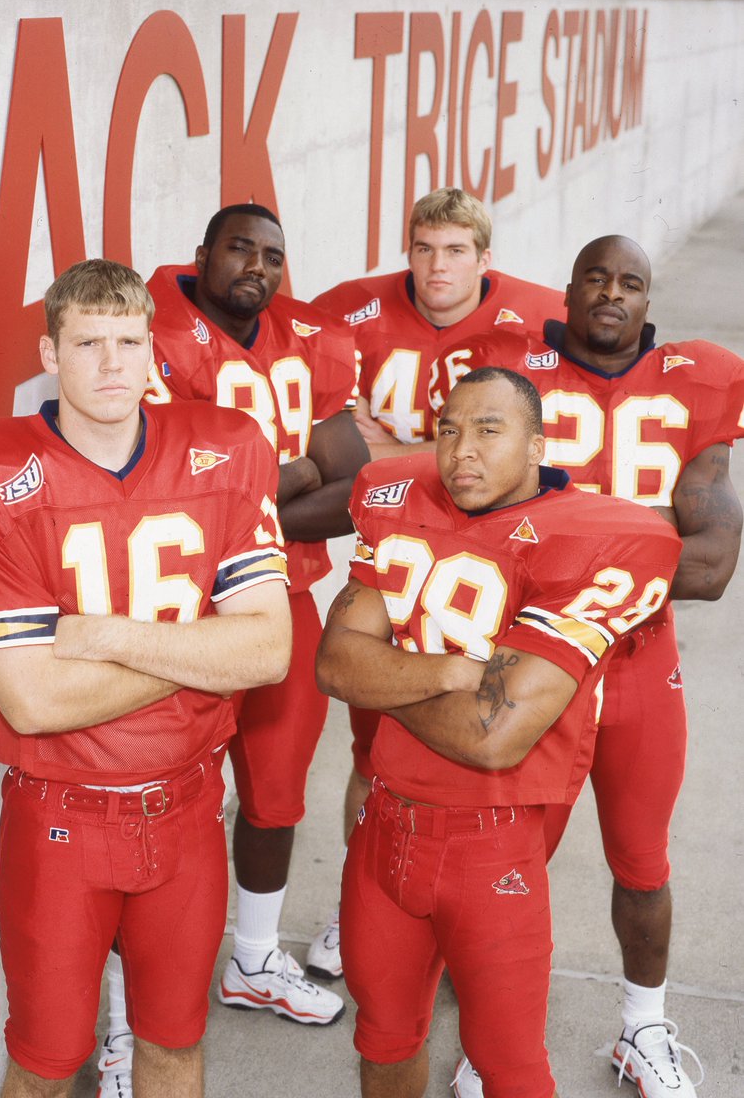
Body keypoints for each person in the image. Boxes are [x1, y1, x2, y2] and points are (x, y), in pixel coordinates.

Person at [0, 259, 292, 1098]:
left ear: (153, 348)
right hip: (61, 820)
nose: (112, 363)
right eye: (87, 343)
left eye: (127, 341)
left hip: (190, 808)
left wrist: (106, 636)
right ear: (50, 352)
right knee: (46, 1063)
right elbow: (34, 700)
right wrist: (201, 653)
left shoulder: (223, 444)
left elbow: (268, 653)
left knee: (174, 1045)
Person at [315, 367, 682, 1098]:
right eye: (448, 428)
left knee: (509, 1067)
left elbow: (491, 736)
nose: (460, 450)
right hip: (382, 827)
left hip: (491, 847)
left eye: (488, 429)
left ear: (538, 444)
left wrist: (389, 673)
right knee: (382, 1040)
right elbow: (332, 664)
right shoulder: (400, 503)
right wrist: (453, 672)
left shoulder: (598, 537)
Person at [453, 235, 744, 1098]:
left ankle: (642, 1027)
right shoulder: (506, 371)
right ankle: (492, 1037)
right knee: (504, 865)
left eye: (629, 283)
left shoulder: (698, 380)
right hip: (533, 663)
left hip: (637, 666)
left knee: (642, 861)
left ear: (647, 301)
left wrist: (556, 553)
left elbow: (711, 565)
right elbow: (480, 536)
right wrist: (638, 538)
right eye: (595, 277)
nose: (610, 294)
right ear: (568, 289)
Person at [308, 187, 564, 979]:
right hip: (400, 542)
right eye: (422, 248)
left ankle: (473, 912)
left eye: (454, 250)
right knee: (371, 742)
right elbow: (320, 407)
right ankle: (361, 903)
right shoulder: (348, 312)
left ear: (484, 259)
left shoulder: (537, 321)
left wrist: (408, 446)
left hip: (494, 554)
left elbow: (525, 440)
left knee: (490, 729)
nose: (436, 266)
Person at [135, 205, 367, 1033]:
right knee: (158, 800)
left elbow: (354, 480)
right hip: (174, 611)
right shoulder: (148, 333)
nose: (258, 267)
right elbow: (171, 495)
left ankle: (255, 957)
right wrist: (301, 475)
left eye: (273, 254)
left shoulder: (302, 340)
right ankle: (134, 1018)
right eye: (241, 247)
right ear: (201, 254)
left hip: (284, 599)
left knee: (275, 794)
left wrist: (272, 488)